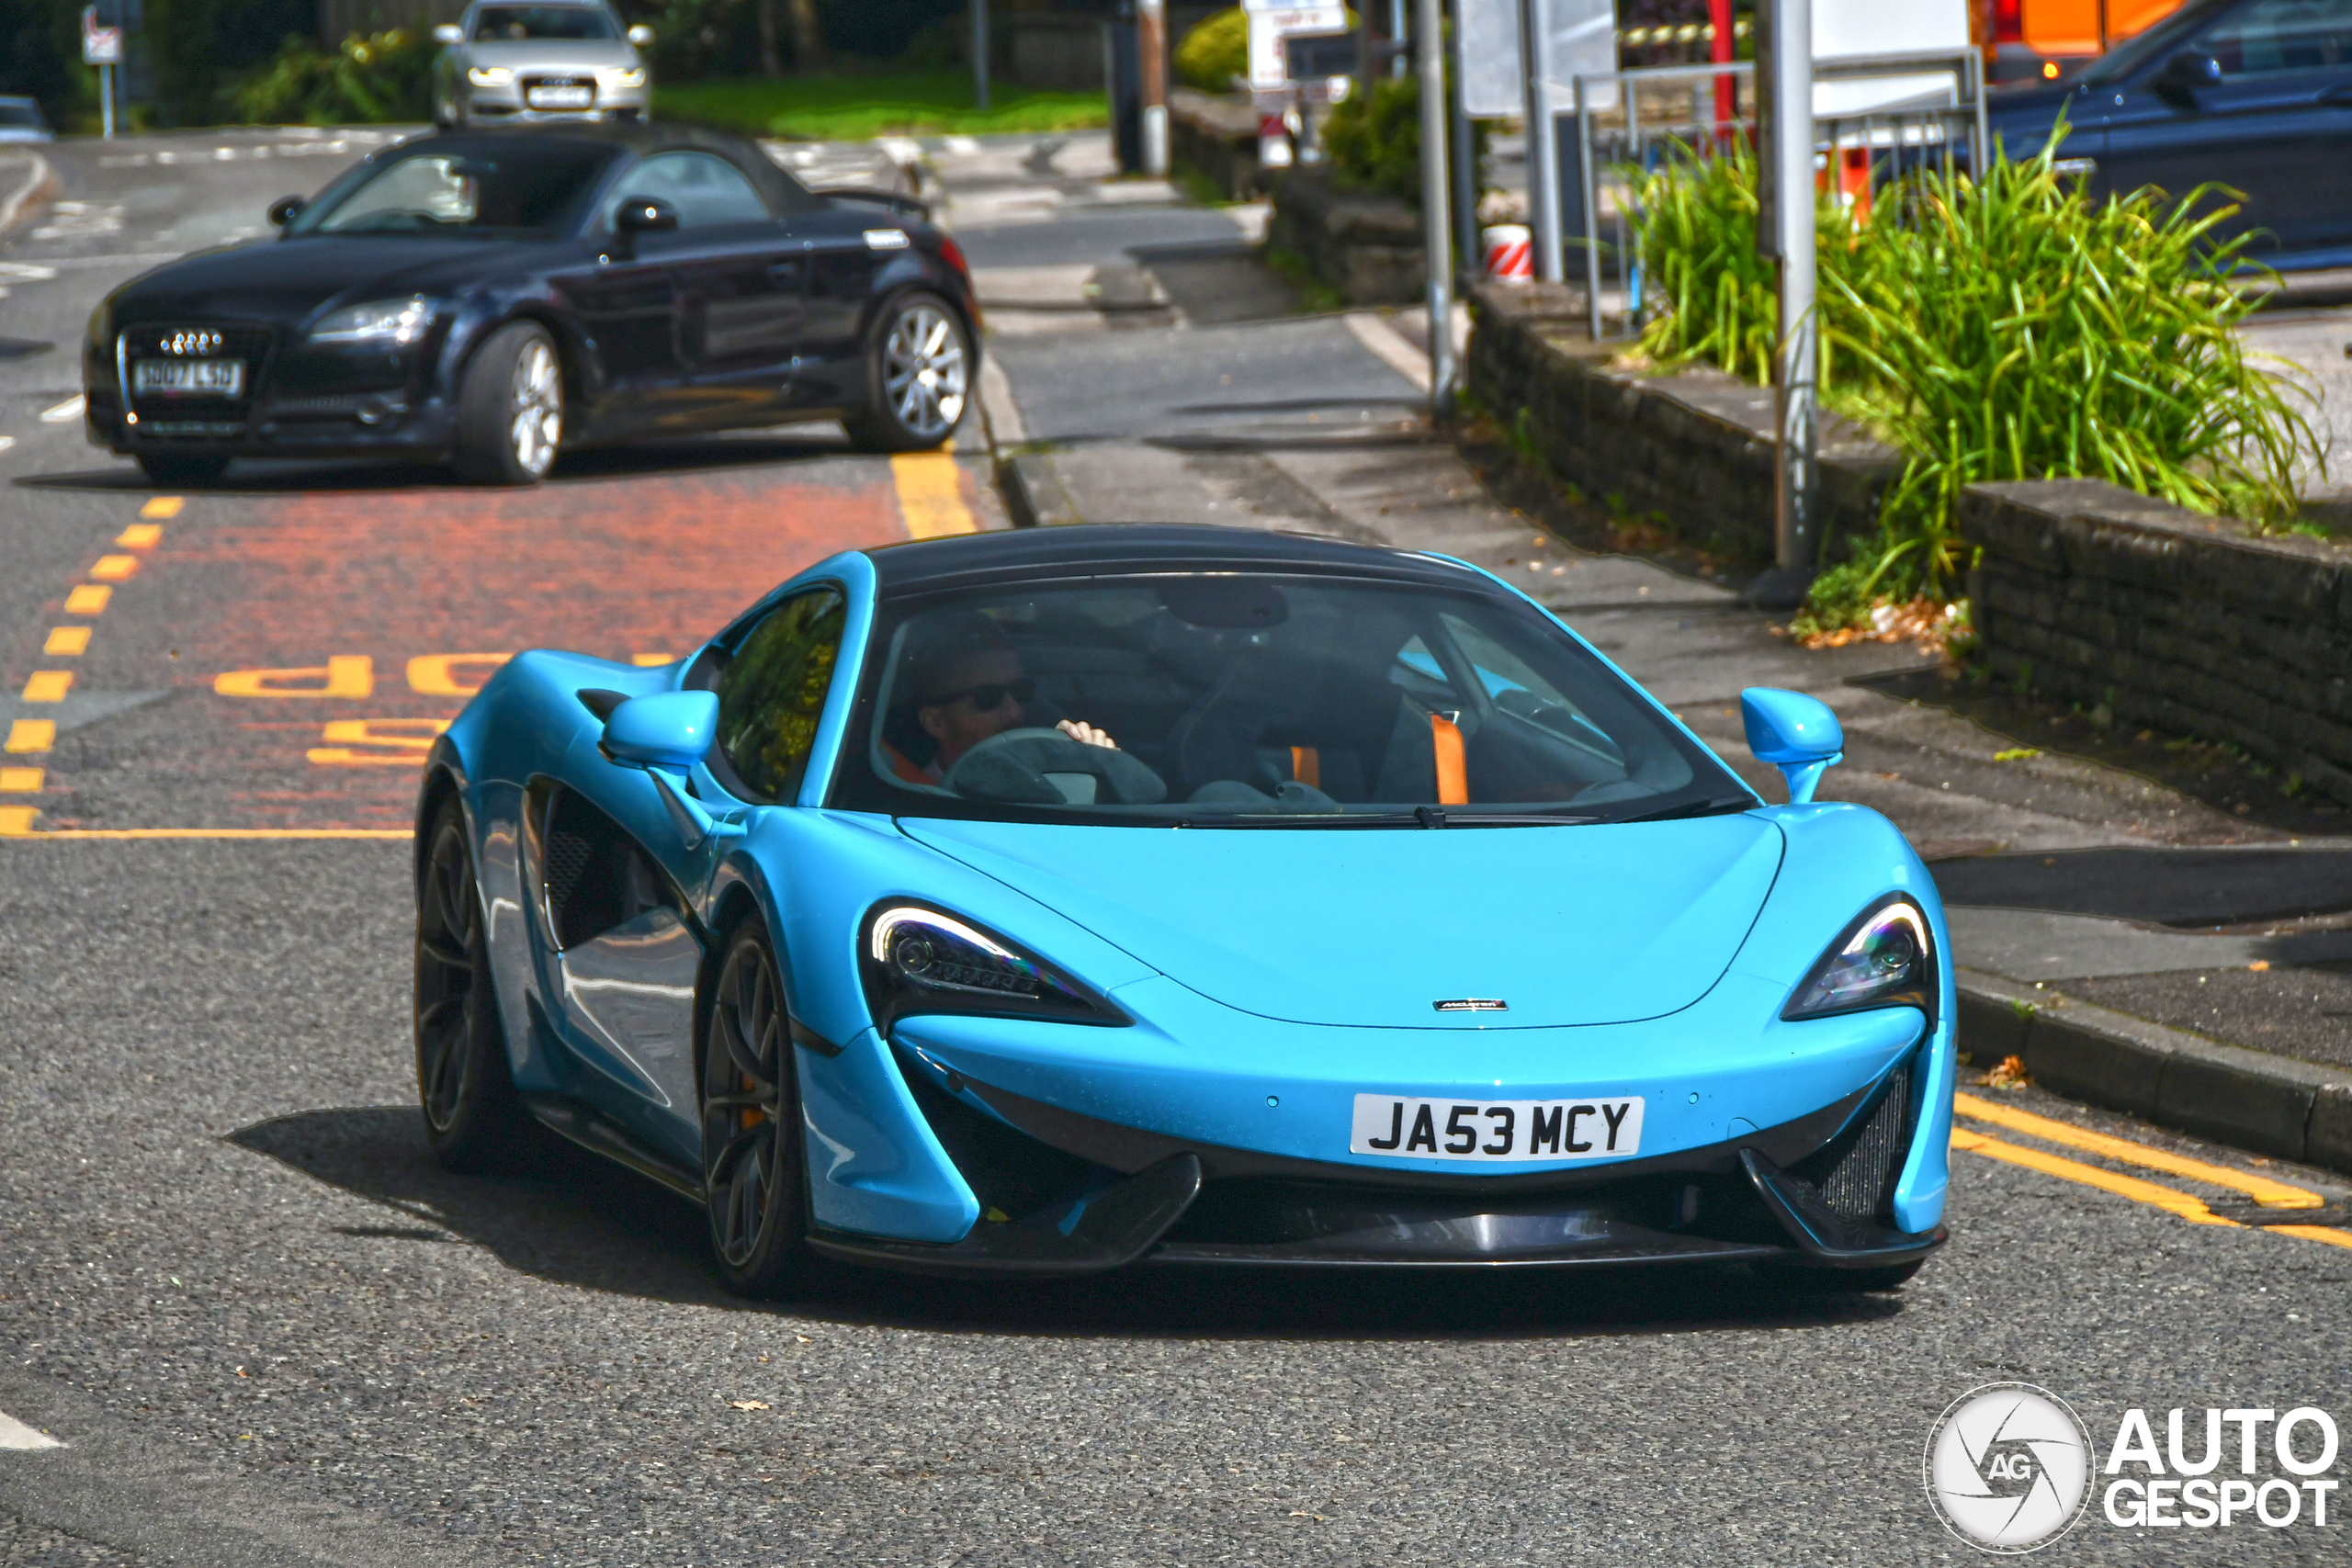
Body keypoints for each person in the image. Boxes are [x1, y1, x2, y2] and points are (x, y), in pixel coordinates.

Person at [886, 612, 1115, 784]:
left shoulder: (1053, 771)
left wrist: (1101, 764)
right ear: (936, 722)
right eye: (987, 697)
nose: (1013, 710)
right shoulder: (915, 794)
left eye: (1020, 690)